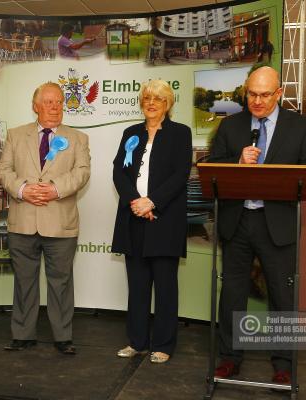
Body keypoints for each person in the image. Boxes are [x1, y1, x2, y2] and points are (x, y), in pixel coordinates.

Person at [208, 66, 306, 384]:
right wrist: (237, 162)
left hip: (278, 223)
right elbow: (211, 167)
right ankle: (229, 358)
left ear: (279, 93)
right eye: (251, 94)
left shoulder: (302, 127)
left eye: (264, 95)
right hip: (238, 221)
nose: (256, 101)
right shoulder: (231, 126)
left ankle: (284, 364)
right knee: (231, 293)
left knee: (283, 295)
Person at [0, 82, 91, 355]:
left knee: (61, 282)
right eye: (49, 102)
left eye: (59, 102)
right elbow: (4, 170)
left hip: (61, 222)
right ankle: (22, 334)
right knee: (24, 280)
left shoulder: (78, 138)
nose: (55, 107)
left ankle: (63, 337)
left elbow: (82, 172)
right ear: (35, 105)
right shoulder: (15, 135)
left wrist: (55, 189)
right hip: (23, 220)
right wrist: (24, 190)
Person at [111, 80, 192, 364]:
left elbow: (180, 175)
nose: (151, 102)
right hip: (134, 219)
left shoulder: (181, 133)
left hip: (164, 220)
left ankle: (163, 345)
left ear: (167, 103)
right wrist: (136, 202)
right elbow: (119, 173)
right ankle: (137, 342)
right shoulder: (130, 133)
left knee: (166, 287)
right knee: (138, 285)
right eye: (146, 97)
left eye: (158, 98)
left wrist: (152, 201)